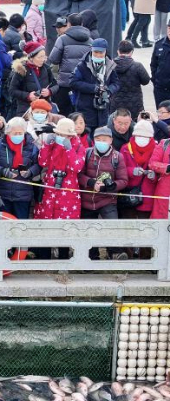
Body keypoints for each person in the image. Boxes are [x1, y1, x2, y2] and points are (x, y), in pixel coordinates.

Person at [79, 126, 129, 260]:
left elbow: (123, 180)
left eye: (104, 139)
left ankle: (114, 252)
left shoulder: (117, 157)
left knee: (111, 225)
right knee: (87, 230)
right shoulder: (86, 153)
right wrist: (90, 183)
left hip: (108, 200)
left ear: (111, 140)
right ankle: (90, 257)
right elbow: (78, 174)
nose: (101, 142)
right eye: (98, 139)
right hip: (86, 199)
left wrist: (111, 186)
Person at [34, 117, 85, 221]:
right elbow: (43, 162)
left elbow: (77, 167)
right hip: (50, 189)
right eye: (58, 134)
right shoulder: (53, 146)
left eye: (63, 135)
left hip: (68, 191)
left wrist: (69, 150)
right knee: (46, 219)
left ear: (70, 136)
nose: (60, 137)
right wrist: (47, 145)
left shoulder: (79, 147)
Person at [0, 116, 40, 219]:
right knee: (3, 224)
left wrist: (30, 172)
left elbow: (38, 164)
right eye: (15, 133)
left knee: (20, 226)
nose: (18, 135)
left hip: (23, 194)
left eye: (20, 133)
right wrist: (3, 171)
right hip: (3, 193)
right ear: (8, 132)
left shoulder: (32, 145)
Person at [121, 120, 158, 253]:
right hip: (130, 192)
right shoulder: (126, 148)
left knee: (146, 227)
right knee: (128, 225)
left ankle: (145, 256)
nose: (142, 139)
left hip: (148, 193)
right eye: (139, 136)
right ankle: (128, 255)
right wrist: (132, 171)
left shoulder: (156, 148)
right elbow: (121, 168)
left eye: (145, 136)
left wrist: (153, 176)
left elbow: (160, 172)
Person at [70, 38, 120, 133]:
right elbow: (73, 82)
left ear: (105, 52)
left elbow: (116, 83)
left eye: (101, 53)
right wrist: (94, 88)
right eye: (95, 52)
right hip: (85, 107)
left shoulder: (110, 65)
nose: (98, 55)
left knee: (101, 133)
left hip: (103, 108)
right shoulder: (82, 65)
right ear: (91, 50)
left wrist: (108, 90)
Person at [48, 13, 92, 116]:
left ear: (68, 24)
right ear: (82, 23)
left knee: (62, 113)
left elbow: (53, 59)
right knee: (80, 114)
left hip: (65, 82)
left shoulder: (62, 39)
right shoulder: (91, 41)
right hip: (83, 83)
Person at [9, 41, 58, 117]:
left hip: (44, 108)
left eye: (44, 56)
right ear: (31, 58)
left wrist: (49, 91)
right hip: (26, 109)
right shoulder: (21, 70)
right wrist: (28, 96)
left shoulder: (46, 68)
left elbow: (55, 85)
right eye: (40, 57)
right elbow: (12, 90)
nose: (43, 59)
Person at [111, 40, 150, 119]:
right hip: (135, 104)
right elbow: (146, 81)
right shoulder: (137, 66)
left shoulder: (110, 65)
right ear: (131, 52)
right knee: (137, 126)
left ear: (118, 51)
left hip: (115, 103)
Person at [151, 19, 170, 107]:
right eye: (169, 28)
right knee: (161, 114)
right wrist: (156, 81)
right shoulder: (159, 44)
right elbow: (153, 65)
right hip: (161, 89)